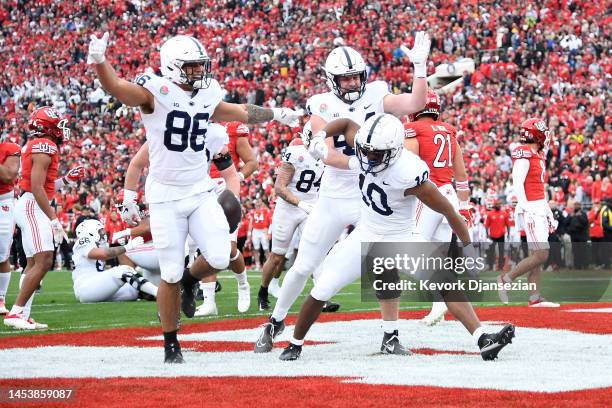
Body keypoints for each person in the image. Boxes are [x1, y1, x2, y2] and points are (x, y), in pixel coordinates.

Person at [88, 32, 302, 363]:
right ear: (172, 67)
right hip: (164, 196)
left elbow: (240, 112)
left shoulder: (206, 94)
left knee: (219, 256)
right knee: (169, 273)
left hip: (199, 189)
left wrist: (275, 113)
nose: (198, 73)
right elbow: (117, 88)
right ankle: (171, 342)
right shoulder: (155, 92)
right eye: (190, 67)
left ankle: (191, 280)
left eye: (200, 66)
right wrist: (100, 62)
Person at [278, 114, 514, 361]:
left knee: (446, 282)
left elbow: (448, 211)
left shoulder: (409, 173)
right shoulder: (369, 145)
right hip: (366, 234)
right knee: (324, 287)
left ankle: (483, 339)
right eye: (366, 151)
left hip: (401, 238)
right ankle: (294, 343)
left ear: (394, 150)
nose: (369, 158)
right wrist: (320, 136)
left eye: (376, 154)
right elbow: (346, 123)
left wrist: (467, 245)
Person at [254, 32, 432, 355]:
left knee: (385, 262)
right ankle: (275, 320)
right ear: (332, 80)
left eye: (355, 77)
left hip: (369, 196)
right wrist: (357, 163)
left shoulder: (377, 94)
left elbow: (416, 103)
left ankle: (390, 335)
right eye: (345, 78)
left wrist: (419, 69)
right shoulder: (322, 105)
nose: (351, 83)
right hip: (335, 196)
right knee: (305, 264)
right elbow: (324, 151)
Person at [4, 107, 84, 330]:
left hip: (30, 202)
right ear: (46, 126)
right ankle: (16, 313)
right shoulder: (44, 145)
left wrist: (66, 180)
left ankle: (22, 314)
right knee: (44, 260)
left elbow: (43, 185)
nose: (61, 130)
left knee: (32, 264)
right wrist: (53, 218)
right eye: (58, 125)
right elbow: (37, 188)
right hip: (33, 205)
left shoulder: (40, 145)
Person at [404, 89, 473, 326]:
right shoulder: (449, 132)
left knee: (411, 247)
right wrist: (464, 207)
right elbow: (461, 175)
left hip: (430, 195)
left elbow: (410, 164)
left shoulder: (414, 130)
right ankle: (438, 306)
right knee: (440, 255)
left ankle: (441, 298)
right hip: (450, 196)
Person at [257, 124, 323, 311]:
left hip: (312, 208)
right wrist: (300, 203)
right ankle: (263, 291)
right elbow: (279, 187)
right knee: (277, 256)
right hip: (289, 208)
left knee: (315, 251)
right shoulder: (296, 151)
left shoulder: (329, 155)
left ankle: (322, 296)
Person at [197, 121, 257, 317]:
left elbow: (251, 162)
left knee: (229, 249)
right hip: (201, 191)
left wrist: (234, 178)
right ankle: (209, 302)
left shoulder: (232, 128)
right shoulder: (192, 122)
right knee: (206, 247)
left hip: (226, 190)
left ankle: (242, 283)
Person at [498, 118, 559, 307]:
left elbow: (537, 182)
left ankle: (534, 297)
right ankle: (506, 279)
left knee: (536, 255)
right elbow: (517, 182)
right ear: (535, 134)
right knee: (541, 254)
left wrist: (545, 207)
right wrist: (526, 206)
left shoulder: (537, 153)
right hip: (531, 207)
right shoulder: (524, 153)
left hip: (539, 206)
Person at [72, 219, 157, 303]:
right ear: (90, 232)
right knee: (123, 270)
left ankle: (158, 295)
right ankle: (158, 292)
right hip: (87, 286)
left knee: (133, 290)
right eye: (99, 231)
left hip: (97, 287)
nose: (103, 234)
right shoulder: (82, 241)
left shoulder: (97, 245)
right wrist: (127, 247)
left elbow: (109, 251)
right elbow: (103, 254)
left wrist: (122, 244)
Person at [0, 135, 21, 315]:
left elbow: (8, 176)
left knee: (1, 255)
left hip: (2, 203)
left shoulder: (10, 148)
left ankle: (0, 298)